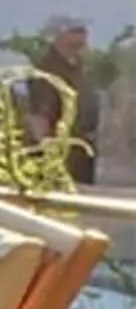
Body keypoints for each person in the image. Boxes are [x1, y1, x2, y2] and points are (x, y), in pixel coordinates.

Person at [24, 18, 102, 186]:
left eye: (83, 30)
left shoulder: (79, 67)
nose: (83, 35)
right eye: (76, 30)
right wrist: (49, 157)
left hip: (81, 153)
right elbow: (40, 117)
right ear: (59, 36)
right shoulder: (47, 71)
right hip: (60, 154)